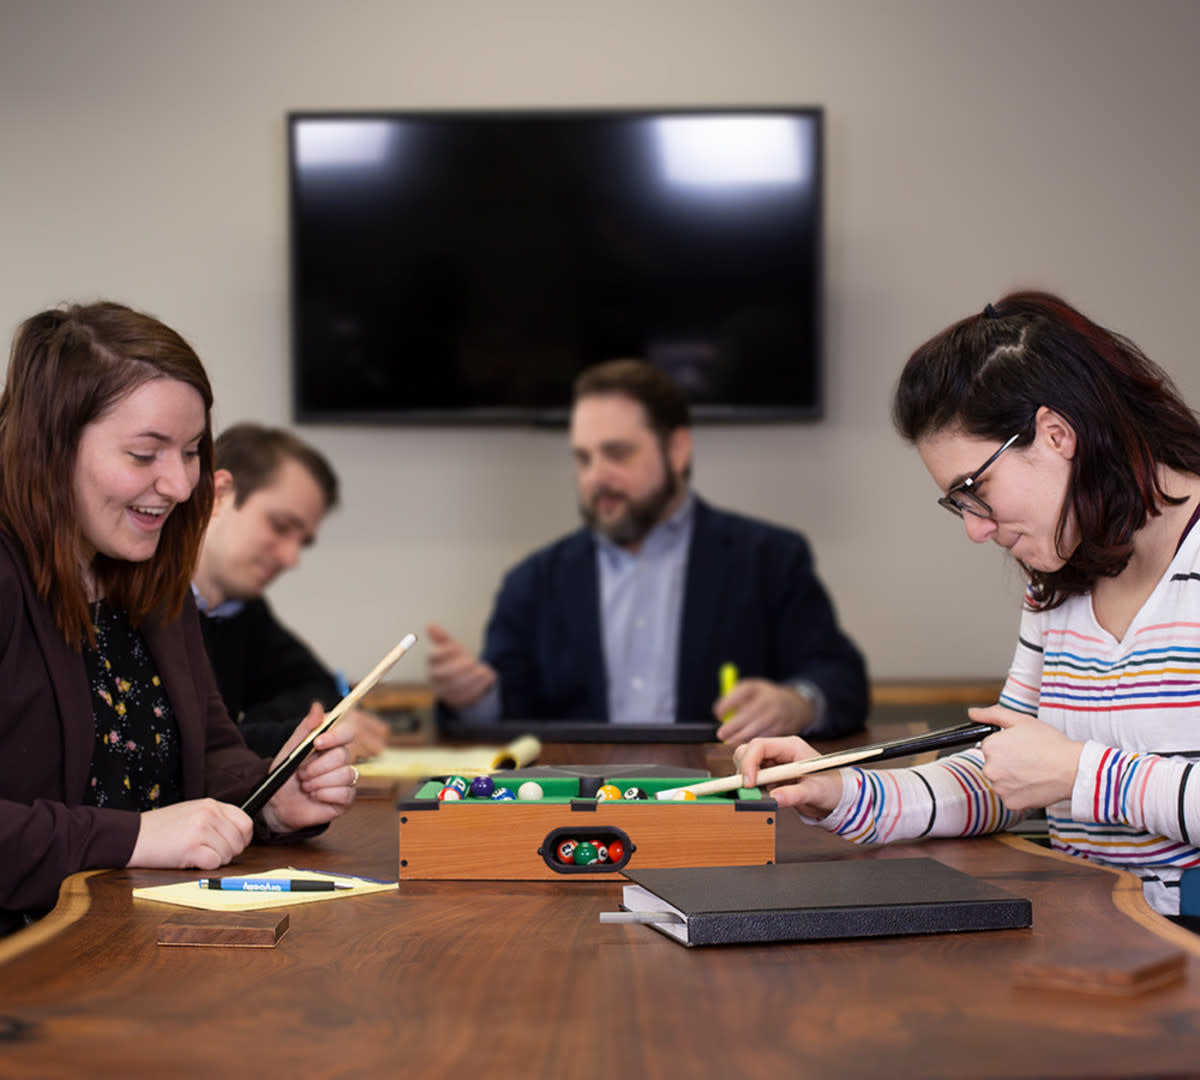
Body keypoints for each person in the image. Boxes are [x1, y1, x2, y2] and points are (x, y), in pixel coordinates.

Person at [735, 290, 1200, 920]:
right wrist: (842, 791)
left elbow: (1056, 772)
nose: (976, 529)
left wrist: (1077, 774)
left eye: (974, 490)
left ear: (1056, 435)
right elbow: (1003, 778)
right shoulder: (1060, 579)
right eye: (959, 503)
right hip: (1097, 943)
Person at [0, 301, 358, 938]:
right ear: (49, 447)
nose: (179, 484)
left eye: (191, 452)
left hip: (128, 947)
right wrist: (134, 836)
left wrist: (270, 799)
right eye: (144, 454)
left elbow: (210, 750)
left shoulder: (148, 571)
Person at [427, 358, 868, 744]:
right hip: (578, 816)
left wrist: (796, 703)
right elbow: (510, 722)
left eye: (616, 454)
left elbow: (841, 679)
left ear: (677, 449)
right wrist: (475, 699)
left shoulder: (769, 559)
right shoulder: (532, 582)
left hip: (720, 807)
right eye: (583, 458)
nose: (596, 476)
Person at [193, 423, 388, 762]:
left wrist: (258, 732)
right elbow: (170, 754)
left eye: (303, 542)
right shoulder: (136, 607)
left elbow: (319, 690)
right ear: (219, 496)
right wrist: (297, 738)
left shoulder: (242, 610)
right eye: (281, 526)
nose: (291, 558)